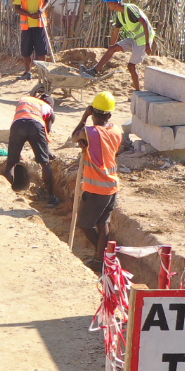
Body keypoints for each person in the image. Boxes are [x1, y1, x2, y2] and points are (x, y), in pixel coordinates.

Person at [72, 91, 123, 257]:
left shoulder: (90, 132)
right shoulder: (116, 130)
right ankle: (103, 260)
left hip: (96, 188)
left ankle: (101, 255)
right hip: (112, 185)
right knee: (103, 223)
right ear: (109, 114)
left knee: (85, 225)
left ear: (92, 112)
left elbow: (74, 136)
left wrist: (83, 118)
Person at [93, 0, 155, 91]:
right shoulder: (119, 14)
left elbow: (145, 24)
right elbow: (115, 32)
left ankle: (138, 92)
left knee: (131, 66)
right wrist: (111, 48)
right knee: (112, 49)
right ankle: (94, 71)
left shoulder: (130, 9)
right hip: (135, 38)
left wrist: (148, 44)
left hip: (143, 39)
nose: (107, 5)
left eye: (109, 3)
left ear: (115, 2)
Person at [6, 88, 59, 205]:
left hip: (17, 124)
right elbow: (46, 132)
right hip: (36, 125)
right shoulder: (48, 108)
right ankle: (51, 198)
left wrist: (16, 149)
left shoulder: (25, 99)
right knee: (44, 164)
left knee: (11, 163)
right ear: (50, 104)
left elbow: (23, 118)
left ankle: (6, 196)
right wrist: (45, 153)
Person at [11, 0, 52, 77]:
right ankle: (28, 72)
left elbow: (47, 0)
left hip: (40, 24)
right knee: (26, 50)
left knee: (41, 50)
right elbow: (17, 8)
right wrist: (29, 15)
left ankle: (42, 72)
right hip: (27, 25)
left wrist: (42, 9)